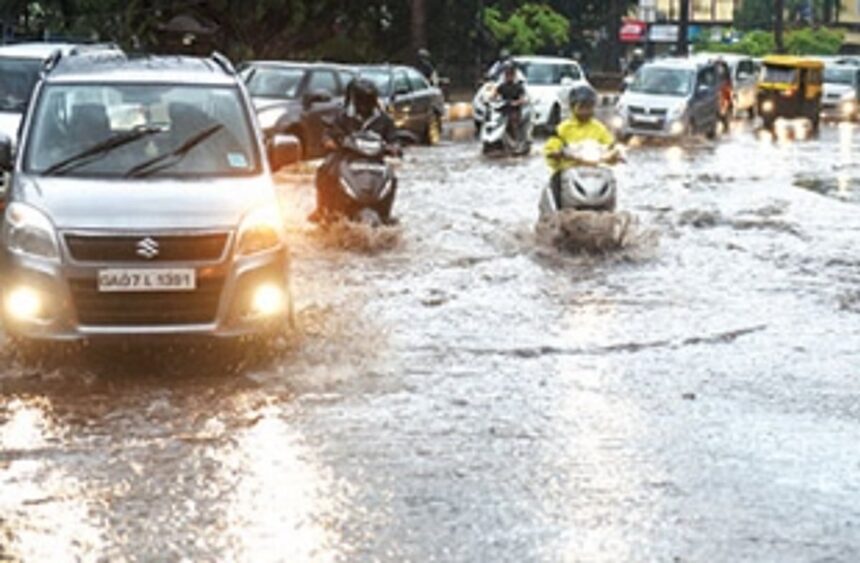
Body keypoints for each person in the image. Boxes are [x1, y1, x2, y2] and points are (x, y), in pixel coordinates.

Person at [309, 78, 399, 223]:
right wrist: (329, 141)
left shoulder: (383, 120)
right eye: (362, 100)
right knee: (324, 170)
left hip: (375, 160)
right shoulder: (342, 116)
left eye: (368, 100)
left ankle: (385, 212)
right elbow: (330, 132)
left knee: (392, 178)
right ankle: (321, 209)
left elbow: (393, 138)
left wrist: (394, 147)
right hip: (345, 156)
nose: (365, 104)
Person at [544, 86, 618, 206]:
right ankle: (557, 211)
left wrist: (615, 154)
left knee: (611, 179)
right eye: (582, 107)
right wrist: (555, 152)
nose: (585, 111)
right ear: (573, 107)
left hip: (594, 170)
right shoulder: (564, 128)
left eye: (589, 107)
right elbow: (553, 144)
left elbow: (609, 144)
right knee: (555, 180)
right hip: (569, 168)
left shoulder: (599, 128)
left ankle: (610, 209)